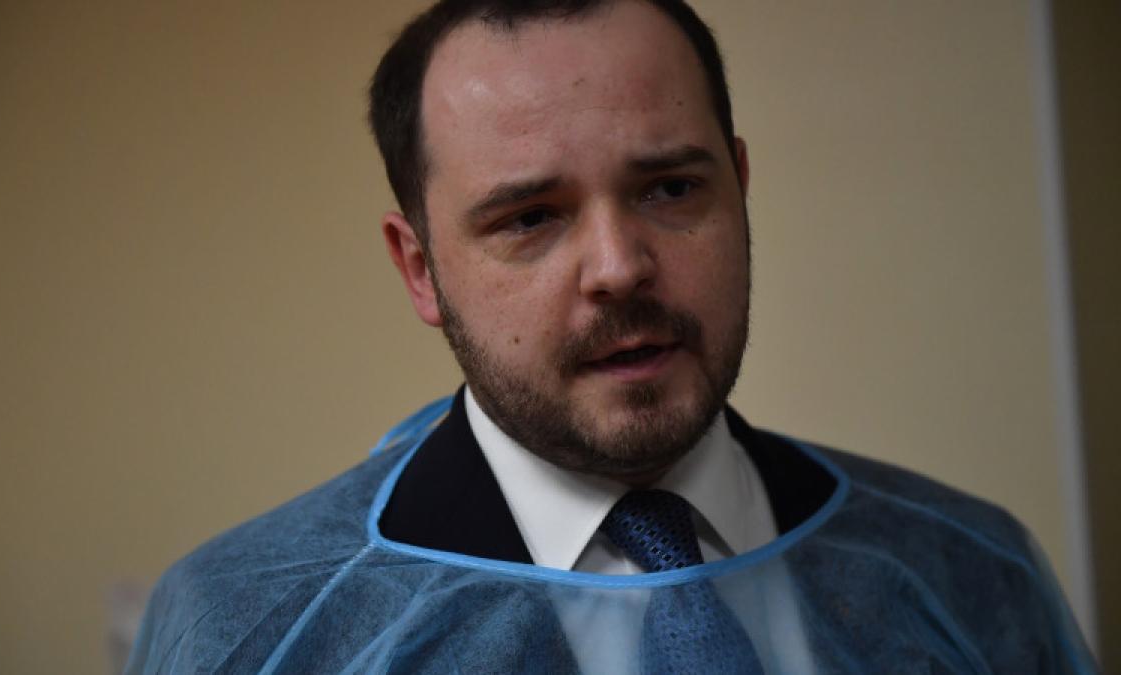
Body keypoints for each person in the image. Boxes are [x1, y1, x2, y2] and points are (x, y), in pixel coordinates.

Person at [126, 1, 1095, 672]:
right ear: (420, 268)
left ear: (739, 189)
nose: (619, 268)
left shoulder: (969, 571)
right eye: (529, 218)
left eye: (670, 188)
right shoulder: (247, 630)